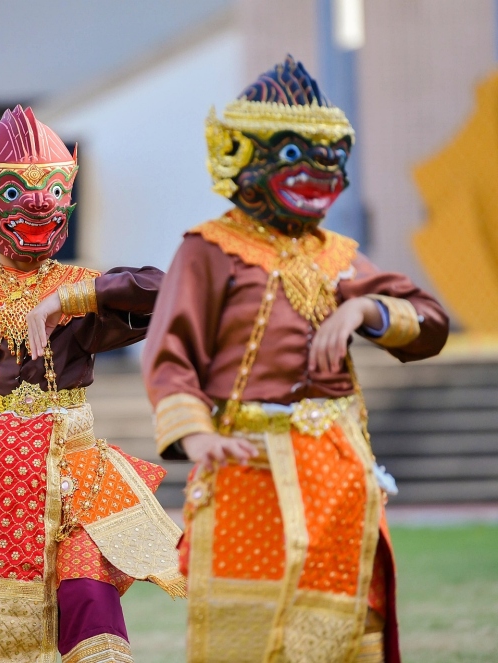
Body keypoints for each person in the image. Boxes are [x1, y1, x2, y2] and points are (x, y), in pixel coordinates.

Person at [142, 56, 450, 663]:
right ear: (244, 157)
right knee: (248, 622)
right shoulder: (210, 250)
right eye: (294, 154)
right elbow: (171, 350)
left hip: (337, 466)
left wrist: (364, 310)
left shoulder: (337, 255)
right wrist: (195, 435)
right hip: (248, 459)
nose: (320, 170)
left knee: (343, 617)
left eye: (331, 156)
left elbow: (430, 321)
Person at [0, 105, 184, 663]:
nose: (40, 204)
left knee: (88, 588)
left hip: (73, 472)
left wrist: (72, 298)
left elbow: (170, 287)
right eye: (16, 193)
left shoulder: (83, 287)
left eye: (52, 191)